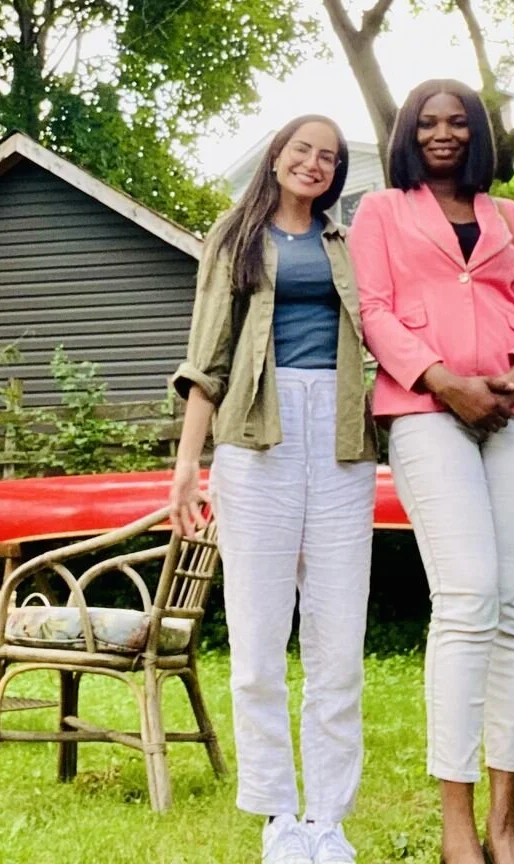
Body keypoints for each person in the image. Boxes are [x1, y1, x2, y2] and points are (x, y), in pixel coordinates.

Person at [347, 79, 514, 864]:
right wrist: (443, 381)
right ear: (409, 134)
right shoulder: (380, 211)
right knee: (468, 596)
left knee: (513, 605)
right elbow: (372, 310)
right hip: (425, 408)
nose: (444, 133)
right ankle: (457, 826)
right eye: (429, 123)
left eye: (459, 122)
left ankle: (505, 822)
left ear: (478, 134)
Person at [169, 114, 378, 864]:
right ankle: (277, 817)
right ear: (277, 157)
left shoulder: (348, 242)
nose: (314, 163)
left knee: (338, 643)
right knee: (258, 640)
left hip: (343, 435)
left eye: (329, 156)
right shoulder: (236, 236)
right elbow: (206, 359)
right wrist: (187, 466)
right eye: (302, 150)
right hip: (256, 435)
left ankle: (327, 819)